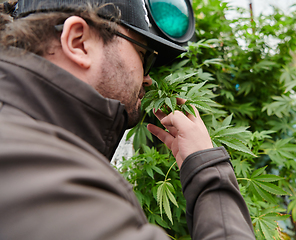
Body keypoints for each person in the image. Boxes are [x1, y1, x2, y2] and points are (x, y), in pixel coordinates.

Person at [0, 0, 255, 239]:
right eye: (145, 56)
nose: (148, 79)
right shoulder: (55, 182)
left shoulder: (29, 144)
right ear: (78, 42)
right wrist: (209, 171)